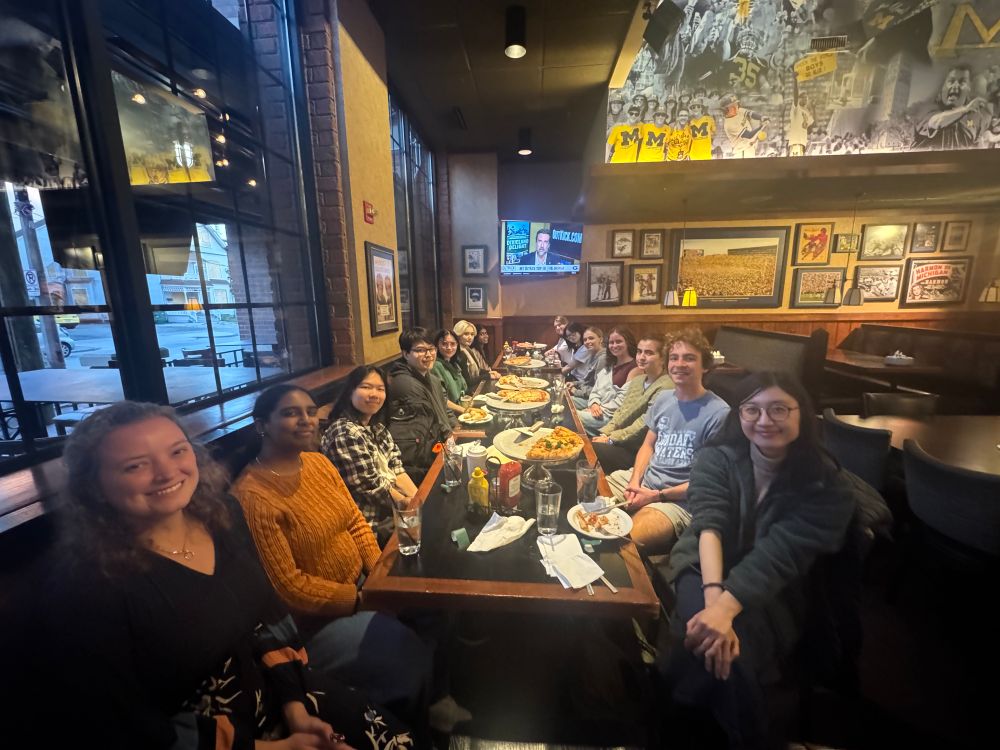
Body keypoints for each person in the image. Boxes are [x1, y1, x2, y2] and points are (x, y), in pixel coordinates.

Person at [34, 400, 412, 749]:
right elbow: (124, 725)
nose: (167, 472)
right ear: (93, 486)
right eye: (136, 465)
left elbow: (267, 615)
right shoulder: (87, 589)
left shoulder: (222, 516)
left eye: (178, 451)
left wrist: (295, 707)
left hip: (276, 686)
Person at [665, 371, 879, 748]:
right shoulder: (717, 458)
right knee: (708, 633)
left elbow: (779, 555)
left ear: (802, 414)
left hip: (774, 586)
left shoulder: (827, 484)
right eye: (753, 410)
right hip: (703, 564)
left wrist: (725, 610)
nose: (765, 421)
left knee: (716, 649)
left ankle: (688, 720)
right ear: (740, 415)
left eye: (779, 409)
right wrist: (715, 604)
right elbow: (709, 526)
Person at [232, 385, 432, 731]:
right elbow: (289, 587)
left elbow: (355, 521)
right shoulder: (253, 496)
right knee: (403, 653)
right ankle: (402, 727)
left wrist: (379, 578)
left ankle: (429, 699)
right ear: (261, 424)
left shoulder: (317, 462)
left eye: (310, 411)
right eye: (290, 413)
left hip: (363, 587)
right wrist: (361, 600)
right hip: (314, 622)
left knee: (431, 604)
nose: (306, 419)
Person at [609, 329, 730, 552]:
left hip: (678, 502)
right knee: (583, 502)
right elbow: (648, 445)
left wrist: (656, 496)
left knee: (624, 543)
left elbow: (711, 481)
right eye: (674, 358)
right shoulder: (664, 399)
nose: (679, 364)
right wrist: (635, 481)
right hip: (643, 482)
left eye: (689, 358)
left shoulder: (720, 413)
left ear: (705, 366)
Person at [321, 366, 420, 543]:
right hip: (371, 525)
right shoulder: (345, 433)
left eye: (380, 389)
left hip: (392, 512)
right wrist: (409, 509)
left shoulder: (376, 428)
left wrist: (419, 501)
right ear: (350, 391)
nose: (374, 394)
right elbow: (372, 488)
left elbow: (397, 468)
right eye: (366, 387)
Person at [592, 334, 675, 474]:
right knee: (585, 445)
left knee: (590, 449)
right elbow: (621, 412)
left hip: (639, 450)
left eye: (649, 353)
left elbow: (643, 424)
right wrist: (605, 433)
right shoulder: (638, 380)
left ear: (663, 358)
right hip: (622, 442)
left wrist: (611, 439)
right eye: (639, 351)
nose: (641, 357)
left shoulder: (667, 385)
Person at [387, 326, 456, 482]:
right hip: (419, 463)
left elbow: (444, 409)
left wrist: (456, 430)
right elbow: (429, 426)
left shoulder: (432, 378)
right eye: (420, 350)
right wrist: (452, 444)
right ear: (405, 354)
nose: (428, 354)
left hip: (439, 448)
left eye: (431, 349)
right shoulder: (405, 383)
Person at [573, 326, 640, 436]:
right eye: (611, 342)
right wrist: (594, 403)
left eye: (618, 342)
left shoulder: (635, 368)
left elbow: (623, 401)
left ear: (628, 342)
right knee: (566, 408)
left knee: (572, 417)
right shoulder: (610, 364)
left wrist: (599, 408)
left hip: (611, 417)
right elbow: (595, 390)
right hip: (597, 409)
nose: (614, 346)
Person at [912, 63, 988, 150]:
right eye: (951, 81)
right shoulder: (925, 108)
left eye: (962, 82)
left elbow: (978, 145)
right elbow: (935, 123)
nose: (955, 86)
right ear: (943, 87)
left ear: (969, 89)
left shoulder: (975, 117)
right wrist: (964, 110)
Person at [431, 328, 469, 413]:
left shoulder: (454, 364)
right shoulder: (436, 366)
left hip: (461, 409)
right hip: (450, 415)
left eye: (452, 344)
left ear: (457, 345)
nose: (449, 347)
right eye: (444, 344)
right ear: (437, 346)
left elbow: (464, 390)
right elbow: (442, 400)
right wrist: (466, 411)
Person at [453, 319, 499, 389]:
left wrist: (489, 372)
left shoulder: (467, 349)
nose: (470, 337)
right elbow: (468, 381)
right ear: (458, 335)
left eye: (472, 334)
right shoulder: (459, 353)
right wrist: (488, 376)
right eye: (466, 334)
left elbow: (477, 370)